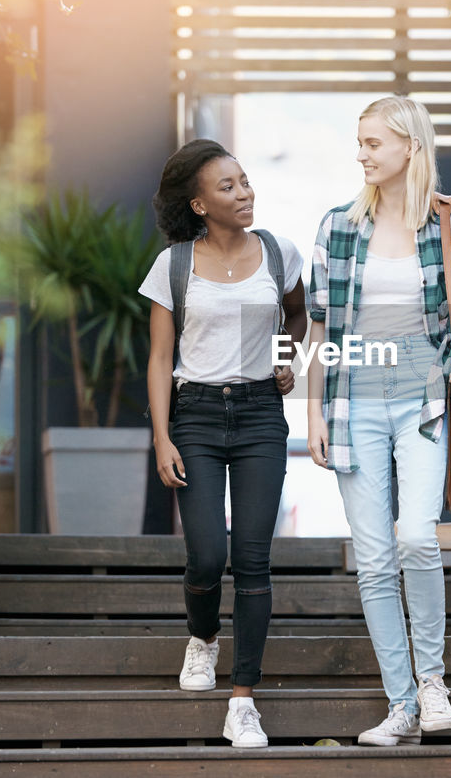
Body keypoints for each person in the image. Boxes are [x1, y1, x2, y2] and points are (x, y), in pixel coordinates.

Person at [305, 96, 451, 746]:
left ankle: (434, 682)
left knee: (416, 536)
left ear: (410, 147)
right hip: (353, 391)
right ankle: (402, 706)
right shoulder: (336, 227)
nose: (361, 154)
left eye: (373, 143)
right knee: (375, 558)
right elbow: (320, 327)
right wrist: (316, 412)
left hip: (423, 390)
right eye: (359, 143)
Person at [140, 139, 307, 748]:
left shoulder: (278, 252)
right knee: (209, 554)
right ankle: (203, 639)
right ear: (199, 203)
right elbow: (161, 359)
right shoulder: (174, 264)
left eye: (245, 181)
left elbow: (297, 316)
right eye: (228, 187)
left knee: (254, 559)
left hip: (262, 414)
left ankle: (243, 700)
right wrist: (162, 437)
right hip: (197, 418)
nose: (244, 194)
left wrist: (288, 359)